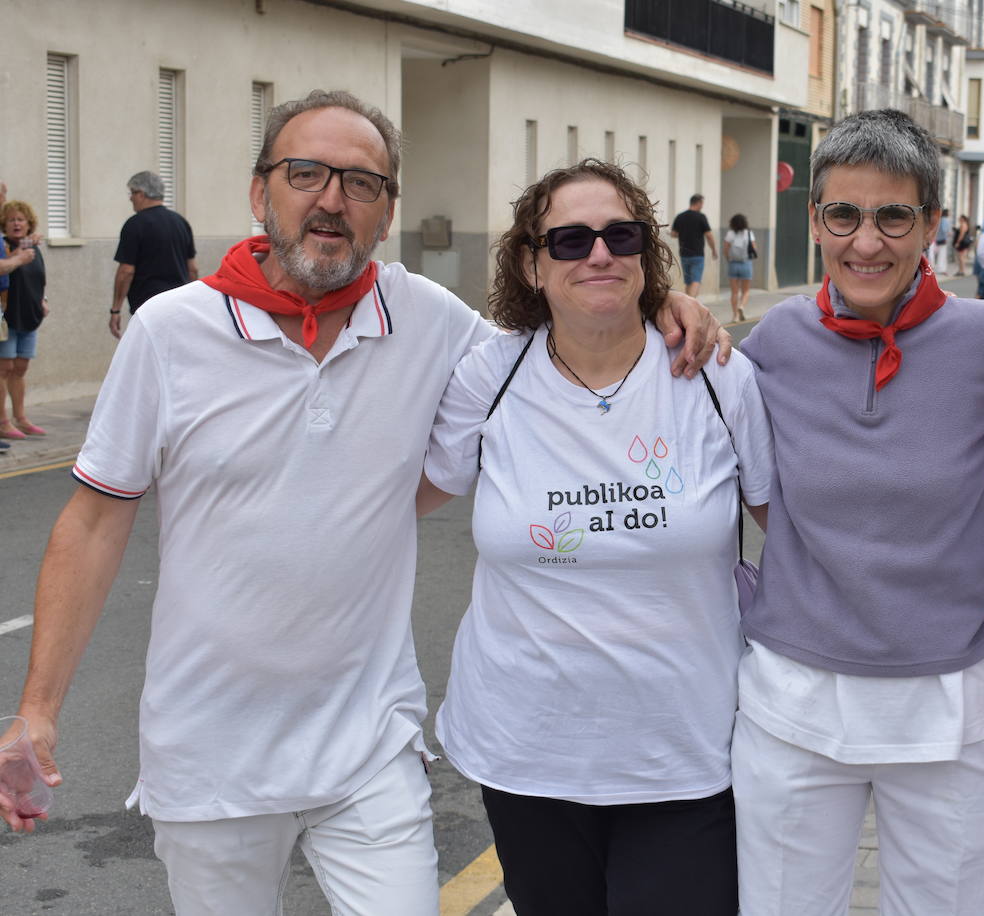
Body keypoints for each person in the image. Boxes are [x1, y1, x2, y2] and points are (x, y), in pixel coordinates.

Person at [0, 90, 726, 912]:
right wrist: (37, 712)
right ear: (259, 191)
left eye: (362, 183)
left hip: (371, 749)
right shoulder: (170, 332)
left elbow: (565, 341)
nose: (332, 199)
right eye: (306, 173)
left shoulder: (431, 321)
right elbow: (94, 523)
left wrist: (658, 304)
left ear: (387, 212)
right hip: (210, 759)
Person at [419, 159, 771, 916]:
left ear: (647, 251)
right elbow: (393, 504)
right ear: (531, 264)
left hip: (686, 754)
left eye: (621, 235)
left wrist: (947, 592)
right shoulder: (490, 376)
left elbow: (797, 533)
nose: (600, 254)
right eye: (571, 240)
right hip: (525, 750)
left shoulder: (715, 374)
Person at [732, 108, 984, 916]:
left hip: (958, 707)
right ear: (814, 220)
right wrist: (675, 309)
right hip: (793, 704)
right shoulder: (773, 343)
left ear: (932, 223)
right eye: (844, 215)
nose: (867, 242)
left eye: (894, 216)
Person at [110, 171, 198, 339]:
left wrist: (115, 310)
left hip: (148, 308)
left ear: (141, 194)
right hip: (178, 306)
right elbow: (192, 269)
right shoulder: (181, 222)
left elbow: (126, 271)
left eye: (132, 193)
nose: (130, 198)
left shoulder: (134, 225)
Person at [0, 201, 49, 440]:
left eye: (20, 219)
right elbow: (7, 268)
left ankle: (21, 418)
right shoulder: (5, 247)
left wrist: (43, 300)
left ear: (29, 223)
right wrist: (20, 252)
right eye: (11, 220)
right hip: (8, 317)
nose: (16, 224)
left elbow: (39, 279)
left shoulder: (34, 249)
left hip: (30, 316)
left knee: (20, 369)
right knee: (4, 368)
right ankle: (3, 422)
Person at [671, 193, 717, 298]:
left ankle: (687, 303)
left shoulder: (680, 216)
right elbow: (709, 236)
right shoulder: (701, 217)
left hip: (684, 254)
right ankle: (691, 302)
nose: (702, 206)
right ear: (699, 203)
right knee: (696, 280)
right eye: (702, 203)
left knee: (688, 282)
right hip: (697, 255)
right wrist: (713, 249)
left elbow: (673, 234)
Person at [724, 212, 756, 322]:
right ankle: (741, 307)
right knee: (746, 291)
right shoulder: (749, 233)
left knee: (734, 292)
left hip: (733, 264)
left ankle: (735, 316)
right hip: (746, 263)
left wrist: (729, 259)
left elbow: (725, 249)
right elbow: (754, 248)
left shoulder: (730, 234)